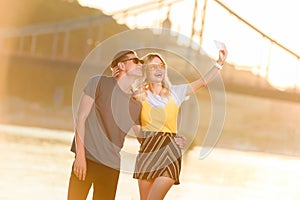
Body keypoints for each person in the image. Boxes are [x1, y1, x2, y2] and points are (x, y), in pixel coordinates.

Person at [132, 47, 228, 200]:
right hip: (147, 152)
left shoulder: (175, 92)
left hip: (169, 152)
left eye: (161, 66)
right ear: (146, 71)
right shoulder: (138, 96)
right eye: (153, 67)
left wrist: (219, 63)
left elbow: (202, 82)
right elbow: (133, 124)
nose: (158, 70)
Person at [67, 50, 144, 200]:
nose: (140, 63)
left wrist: (171, 139)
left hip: (111, 167)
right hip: (86, 160)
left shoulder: (136, 104)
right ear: (121, 65)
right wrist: (80, 156)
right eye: (136, 61)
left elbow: (141, 137)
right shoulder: (98, 83)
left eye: (141, 61)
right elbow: (80, 118)